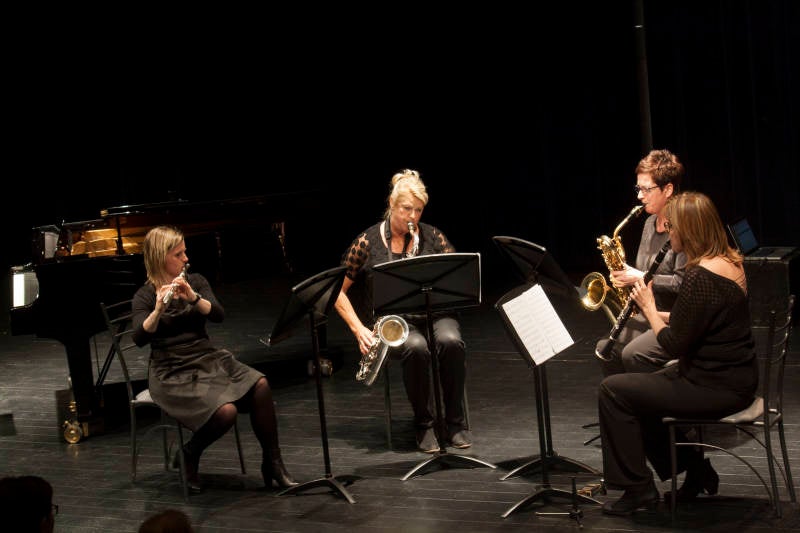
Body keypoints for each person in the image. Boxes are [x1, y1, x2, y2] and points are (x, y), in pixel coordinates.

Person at [597, 191, 757, 516]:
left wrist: (648, 307)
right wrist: (660, 314)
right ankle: (696, 471)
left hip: (714, 385)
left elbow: (672, 345)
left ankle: (637, 489)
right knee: (639, 391)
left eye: (671, 228)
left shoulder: (700, 275)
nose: (668, 236)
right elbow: (700, 318)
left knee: (612, 391)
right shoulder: (729, 261)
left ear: (689, 230)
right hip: (733, 377)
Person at [131, 225, 297, 493]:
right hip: (172, 370)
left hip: (206, 358)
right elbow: (139, 337)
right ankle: (189, 454)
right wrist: (158, 310)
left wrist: (193, 298)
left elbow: (218, 314)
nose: (186, 258)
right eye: (178, 254)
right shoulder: (145, 295)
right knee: (226, 412)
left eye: (185, 252)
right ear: (161, 257)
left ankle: (273, 463)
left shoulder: (195, 281)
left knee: (261, 385)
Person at [334, 169, 470, 453]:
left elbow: (458, 276)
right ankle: (424, 424)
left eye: (418, 210)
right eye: (407, 209)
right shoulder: (367, 242)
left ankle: (455, 422)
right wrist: (358, 329)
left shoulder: (433, 237)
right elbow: (336, 291)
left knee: (451, 341)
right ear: (391, 205)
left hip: (436, 314)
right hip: (395, 323)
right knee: (416, 348)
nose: (413, 217)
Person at [596, 148, 688, 375]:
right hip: (646, 311)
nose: (639, 196)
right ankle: (624, 396)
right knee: (604, 349)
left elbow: (683, 283)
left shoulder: (684, 226)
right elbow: (643, 270)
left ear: (668, 189)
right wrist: (624, 276)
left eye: (647, 189)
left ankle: (649, 393)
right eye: (638, 189)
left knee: (631, 354)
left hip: (674, 318)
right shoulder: (648, 224)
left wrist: (640, 276)